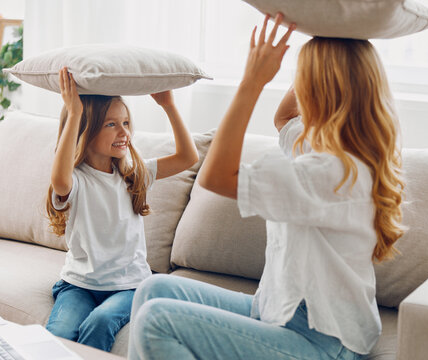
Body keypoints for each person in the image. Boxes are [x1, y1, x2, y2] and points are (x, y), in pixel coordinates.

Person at [129, 12, 404, 360]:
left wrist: (252, 82)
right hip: (281, 313)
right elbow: (285, 119)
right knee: (154, 289)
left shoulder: (331, 172)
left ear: (318, 89)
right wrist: (322, 36)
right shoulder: (333, 148)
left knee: (158, 319)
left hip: (323, 341)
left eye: (301, 78)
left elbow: (217, 176)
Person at [45, 67, 199, 352]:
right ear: (86, 131)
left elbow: (188, 157)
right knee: (59, 333)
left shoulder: (136, 173)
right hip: (79, 285)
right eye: (111, 124)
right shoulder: (77, 180)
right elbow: (60, 179)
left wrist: (169, 106)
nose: (124, 132)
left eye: (126, 123)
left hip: (130, 286)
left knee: (101, 322)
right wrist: (74, 113)